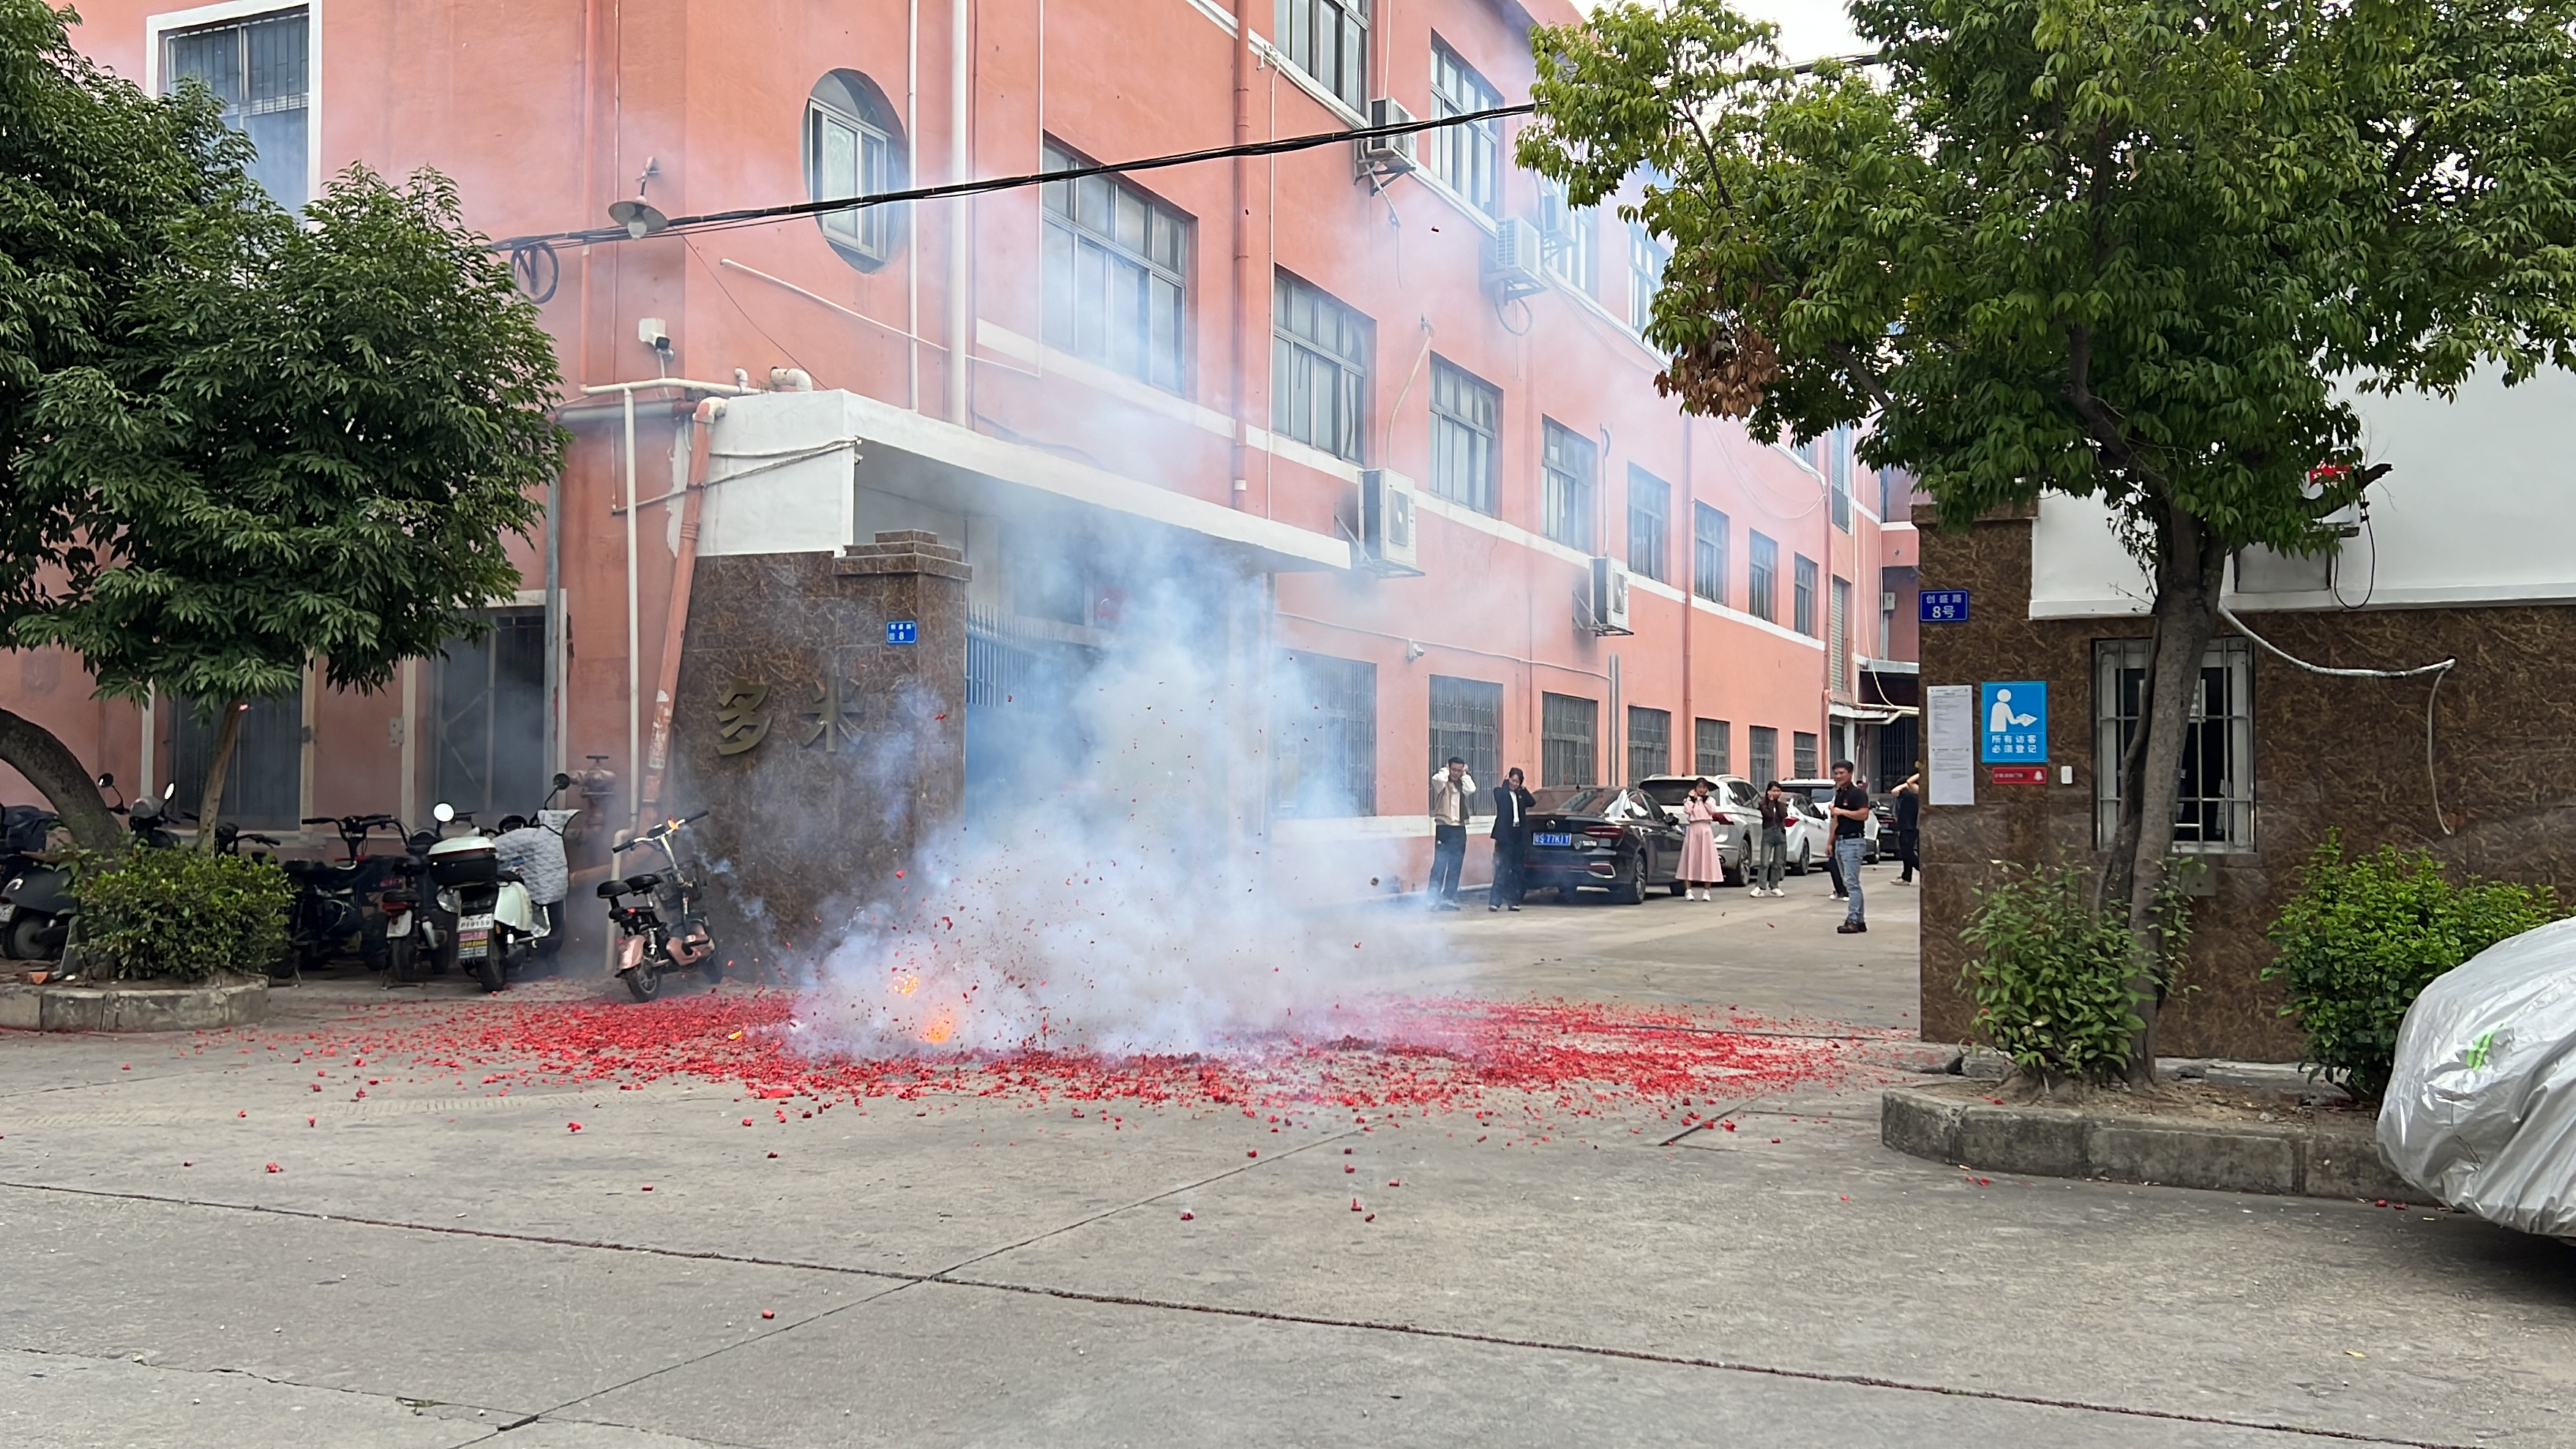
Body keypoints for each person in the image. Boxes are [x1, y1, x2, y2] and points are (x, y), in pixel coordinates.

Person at [1426, 757, 1475, 910]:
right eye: (1454, 770)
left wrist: (1465, 774)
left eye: (1459, 771)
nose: (1456, 773)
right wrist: (1446, 770)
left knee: (1455, 866)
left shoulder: (1462, 784)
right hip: (1444, 827)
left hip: (1459, 828)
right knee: (1440, 864)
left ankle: (1448, 897)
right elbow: (1437, 779)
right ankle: (1432, 898)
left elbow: (1471, 788)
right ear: (1449, 768)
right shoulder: (1442, 783)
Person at [1829, 759, 1871, 934]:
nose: (1838, 776)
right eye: (1836, 773)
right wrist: (1830, 842)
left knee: (1852, 883)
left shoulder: (1858, 794)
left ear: (1850, 773)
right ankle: (1859, 920)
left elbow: (1864, 815)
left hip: (1853, 841)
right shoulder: (1839, 793)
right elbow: (1835, 820)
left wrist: (1842, 811)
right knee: (1849, 883)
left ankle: (1853, 920)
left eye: (1842, 773)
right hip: (1840, 841)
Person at [1489, 767, 1533, 911]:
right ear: (1508, 779)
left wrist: (1523, 790)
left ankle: (1513, 901)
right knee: (1503, 868)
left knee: (1517, 869)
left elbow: (1532, 802)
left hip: (1518, 834)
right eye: (1513, 780)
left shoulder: (1520, 796)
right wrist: (1505, 784)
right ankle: (1495, 901)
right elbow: (1499, 796)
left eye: (1517, 782)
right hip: (1505, 835)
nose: (1514, 784)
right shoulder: (1500, 792)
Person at [1679, 778, 1724, 900]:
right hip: (1693, 829)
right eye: (1699, 787)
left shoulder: (1710, 800)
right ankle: (1689, 890)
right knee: (1690, 858)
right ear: (1695, 788)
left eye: (1704, 787)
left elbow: (1713, 810)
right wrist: (1692, 800)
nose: (1702, 790)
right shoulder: (1689, 800)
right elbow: (1687, 810)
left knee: (1707, 859)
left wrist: (1705, 800)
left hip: (1705, 830)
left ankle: (1707, 891)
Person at [1753, 781, 1791, 897]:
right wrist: (1770, 802)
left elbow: (1783, 815)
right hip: (1768, 833)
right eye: (1774, 791)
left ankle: (1774, 886)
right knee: (1764, 862)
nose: (1776, 793)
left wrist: (1777, 804)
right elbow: (1768, 815)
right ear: (1768, 792)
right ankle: (1760, 886)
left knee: (1778, 862)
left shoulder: (1781, 805)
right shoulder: (1762, 804)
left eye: (1778, 791)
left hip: (1780, 833)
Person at [1892, 763, 1922, 884]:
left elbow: (1895, 791)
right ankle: (1906, 876)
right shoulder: (1911, 794)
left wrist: (1905, 784)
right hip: (1908, 825)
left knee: (1907, 852)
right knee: (1907, 852)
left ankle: (1923, 870)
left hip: (1910, 826)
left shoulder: (1911, 793)